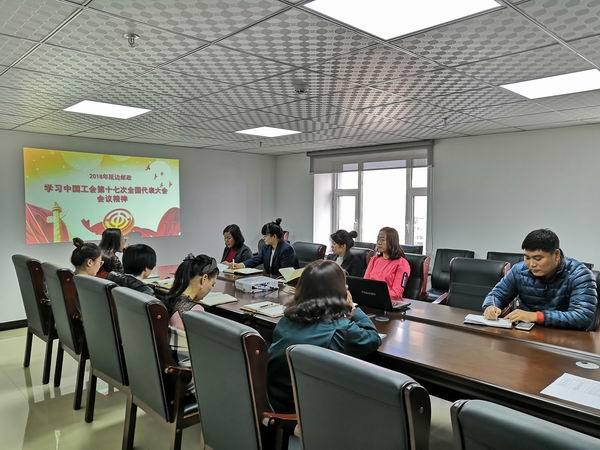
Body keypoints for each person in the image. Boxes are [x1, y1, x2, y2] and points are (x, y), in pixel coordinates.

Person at [267, 260, 381, 413]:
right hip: (310, 411)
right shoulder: (341, 330)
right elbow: (373, 338)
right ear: (339, 291)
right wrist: (353, 308)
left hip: (276, 401)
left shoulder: (286, 321)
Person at [482, 229, 597, 330]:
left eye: (538, 258)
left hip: (565, 338)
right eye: (527, 258)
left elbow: (583, 316)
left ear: (556, 255)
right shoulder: (519, 270)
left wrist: (536, 316)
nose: (531, 264)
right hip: (525, 333)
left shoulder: (579, 274)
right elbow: (497, 294)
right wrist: (491, 306)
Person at [162, 254, 219, 369]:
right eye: (212, 284)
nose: (210, 289)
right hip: (190, 372)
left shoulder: (167, 300)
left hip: (170, 367)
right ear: (204, 279)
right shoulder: (194, 311)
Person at [230, 218, 298, 275]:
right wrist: (241, 265)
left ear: (274, 236)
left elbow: (285, 274)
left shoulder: (287, 250)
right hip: (272, 281)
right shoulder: (266, 247)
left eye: (265, 236)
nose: (263, 238)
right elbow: (256, 259)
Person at [364, 227, 411, 300]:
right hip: (371, 299)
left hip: (389, 301)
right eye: (378, 239)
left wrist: (374, 293)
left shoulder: (402, 263)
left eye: (382, 240)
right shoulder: (374, 259)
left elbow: (396, 293)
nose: (379, 242)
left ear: (392, 242)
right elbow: (365, 283)